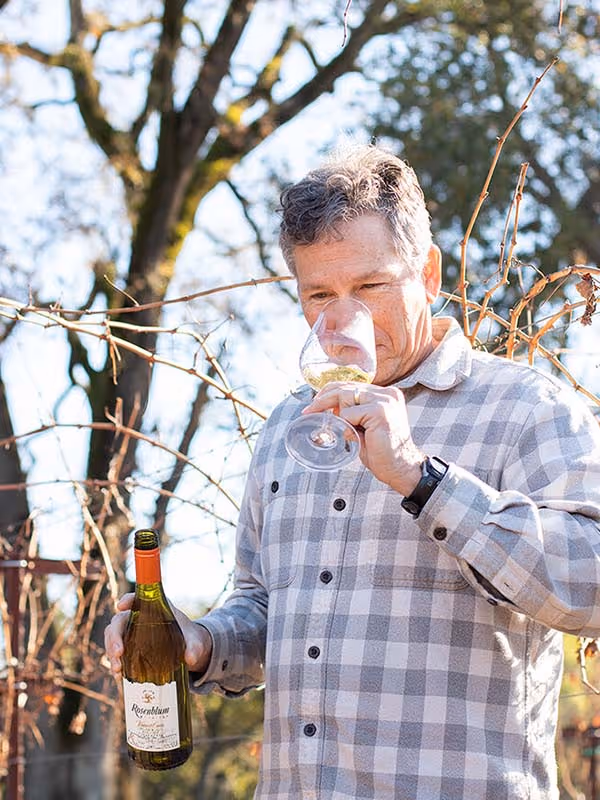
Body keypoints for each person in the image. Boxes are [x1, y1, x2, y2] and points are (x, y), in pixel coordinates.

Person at [105, 144, 600, 799]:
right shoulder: (289, 427)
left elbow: (590, 585)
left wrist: (423, 479)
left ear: (427, 274)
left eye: (369, 286)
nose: (344, 319)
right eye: (320, 295)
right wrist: (197, 642)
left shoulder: (527, 408)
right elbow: (263, 607)